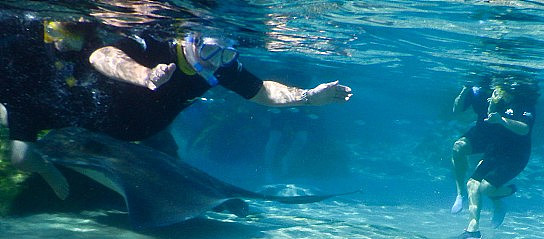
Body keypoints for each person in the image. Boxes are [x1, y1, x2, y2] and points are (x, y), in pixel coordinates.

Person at [87, 32, 352, 145]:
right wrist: (144, 75)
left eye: (225, 54)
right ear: (189, 41)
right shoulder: (156, 43)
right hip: (95, 118)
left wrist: (308, 97)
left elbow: (262, 91)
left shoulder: (222, 68)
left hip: (140, 135)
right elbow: (101, 55)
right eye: (209, 51)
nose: (213, 62)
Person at [0, 15, 108, 199]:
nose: (60, 41)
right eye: (55, 32)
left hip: (34, 96)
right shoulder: (25, 28)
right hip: (15, 87)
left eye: (69, 35)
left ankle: (46, 168)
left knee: (22, 159)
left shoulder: (89, 46)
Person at [450, 77, 537, 239]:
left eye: (504, 90)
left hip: (516, 156)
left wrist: (501, 120)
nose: (500, 92)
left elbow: (525, 129)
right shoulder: (496, 101)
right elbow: (488, 121)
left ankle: (509, 190)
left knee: (485, 188)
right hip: (495, 149)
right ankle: (473, 230)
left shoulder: (524, 104)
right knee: (472, 184)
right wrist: (492, 105)